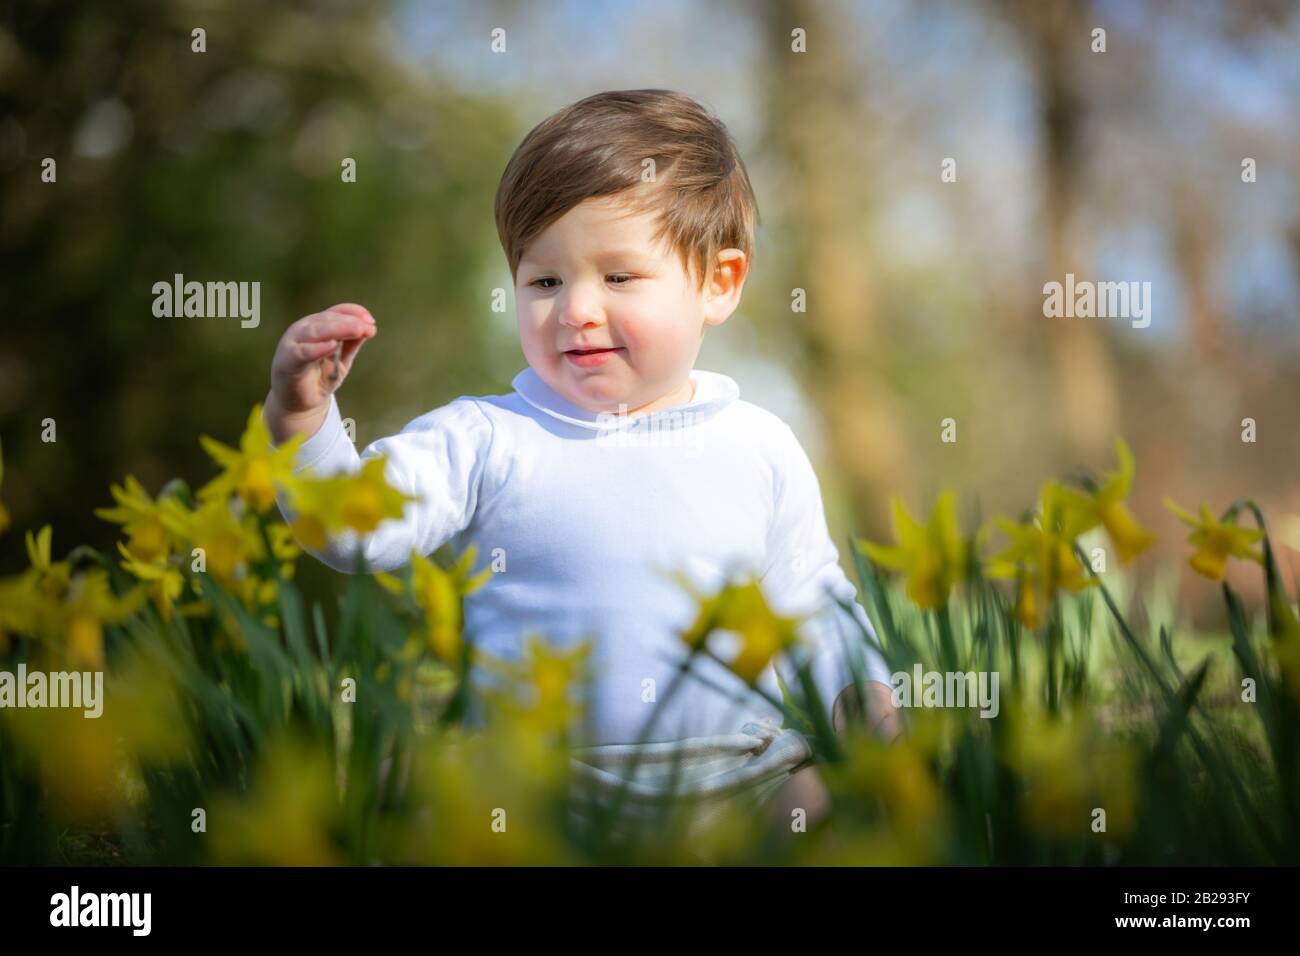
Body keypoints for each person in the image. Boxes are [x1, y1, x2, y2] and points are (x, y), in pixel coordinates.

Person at [263, 90, 901, 829]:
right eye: (544, 281)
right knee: (404, 784)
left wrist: (869, 705)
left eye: (620, 277)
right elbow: (349, 531)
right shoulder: (484, 437)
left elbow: (810, 603)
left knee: (829, 810)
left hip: (734, 775)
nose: (576, 310)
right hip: (532, 782)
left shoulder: (758, 445)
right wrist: (303, 418)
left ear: (718, 283)